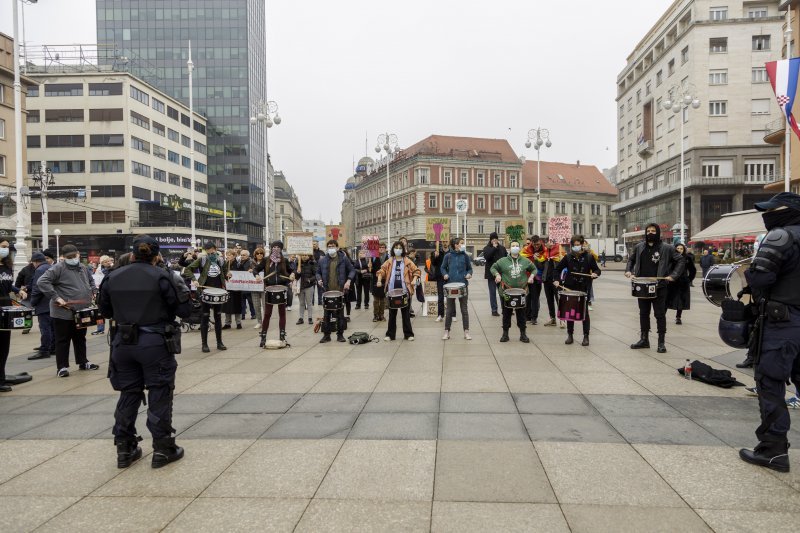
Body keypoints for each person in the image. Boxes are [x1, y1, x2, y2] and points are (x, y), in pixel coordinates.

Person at [100, 235, 191, 469]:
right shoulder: (163, 275)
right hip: (154, 342)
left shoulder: (112, 276)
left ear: (132, 254)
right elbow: (184, 309)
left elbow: (105, 310)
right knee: (159, 392)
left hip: (123, 342)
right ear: (156, 256)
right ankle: (163, 448)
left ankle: (124, 447)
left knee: (129, 393)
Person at [739, 192, 800, 473]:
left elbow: (761, 276)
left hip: (783, 323)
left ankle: (773, 450)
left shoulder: (780, 237)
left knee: (770, 382)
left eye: (772, 210)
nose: (768, 215)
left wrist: (749, 276)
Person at [37, 244, 101, 377]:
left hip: (81, 310)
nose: (73, 258)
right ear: (64, 257)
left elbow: (90, 281)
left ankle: (83, 362)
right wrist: (56, 297)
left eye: (74, 256)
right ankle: (62, 367)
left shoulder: (83, 267)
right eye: (69, 257)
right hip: (62, 312)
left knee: (80, 338)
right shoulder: (58, 268)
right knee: (62, 340)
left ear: (78, 254)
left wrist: (94, 291)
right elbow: (42, 282)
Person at [625, 223, 685, 353]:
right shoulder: (639, 246)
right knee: (643, 314)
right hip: (642, 285)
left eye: (653, 231)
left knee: (660, 314)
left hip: (659, 286)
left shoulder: (667, 248)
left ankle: (661, 342)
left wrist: (673, 275)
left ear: (658, 232)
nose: (650, 233)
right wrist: (629, 271)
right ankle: (644, 339)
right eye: (648, 231)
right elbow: (631, 260)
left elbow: (680, 260)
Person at [554, 235, 601, 346]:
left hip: (584, 288)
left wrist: (595, 274)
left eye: (578, 245)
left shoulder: (589, 257)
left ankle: (586, 336)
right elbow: (557, 269)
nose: (576, 247)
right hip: (570, 287)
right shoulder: (568, 257)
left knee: (585, 313)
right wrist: (557, 280)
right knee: (570, 312)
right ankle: (570, 335)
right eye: (574, 245)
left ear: (582, 244)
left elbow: (597, 269)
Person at [182, 242, 228, 353]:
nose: (210, 252)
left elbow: (225, 273)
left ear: (215, 249)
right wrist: (194, 280)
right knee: (205, 317)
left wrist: (228, 275)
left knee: (218, 317)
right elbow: (187, 269)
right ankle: (204, 344)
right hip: (205, 291)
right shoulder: (202, 260)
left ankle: (219, 342)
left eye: (211, 249)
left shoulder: (221, 260)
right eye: (207, 250)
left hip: (218, 291)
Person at [491, 239, 534, 343]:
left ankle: (523, 334)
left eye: (517, 245)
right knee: (506, 313)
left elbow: (534, 269)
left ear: (519, 248)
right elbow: (493, 267)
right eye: (513, 246)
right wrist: (497, 275)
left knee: (521, 313)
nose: (515, 247)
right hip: (506, 292)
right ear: (509, 248)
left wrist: (531, 276)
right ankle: (505, 334)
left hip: (521, 292)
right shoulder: (503, 261)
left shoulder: (525, 260)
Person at [376, 241, 420, 341]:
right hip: (392, 292)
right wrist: (379, 280)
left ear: (403, 250)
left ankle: (408, 334)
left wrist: (414, 280)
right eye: (396, 248)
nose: (398, 250)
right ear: (393, 249)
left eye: (400, 248)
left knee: (405, 314)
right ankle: (390, 335)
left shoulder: (407, 261)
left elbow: (416, 270)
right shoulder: (390, 261)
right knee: (392, 314)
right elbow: (381, 271)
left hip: (405, 291)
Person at [0, 241, 28, 392]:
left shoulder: (7, 267)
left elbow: (8, 284)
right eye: (3, 247)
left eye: (6, 247)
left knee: (4, 346)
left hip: (6, 308)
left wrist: (18, 290)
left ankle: (1, 377)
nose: (6, 250)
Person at [254, 241, 294, 346]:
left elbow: (291, 271)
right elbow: (255, 269)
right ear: (271, 248)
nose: (276, 249)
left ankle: (282, 336)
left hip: (281, 289)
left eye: (278, 247)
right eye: (274, 247)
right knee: (267, 314)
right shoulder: (266, 260)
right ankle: (263, 336)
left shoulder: (284, 261)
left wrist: (292, 275)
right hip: (270, 289)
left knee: (282, 313)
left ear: (281, 249)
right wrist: (257, 276)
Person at [316, 239, 355, 343]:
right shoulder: (322, 260)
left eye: (333, 246)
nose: (331, 248)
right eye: (329, 246)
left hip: (340, 291)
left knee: (340, 315)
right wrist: (319, 279)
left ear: (337, 248)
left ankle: (340, 335)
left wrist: (349, 280)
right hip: (327, 291)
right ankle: (326, 335)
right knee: (326, 315)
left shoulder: (343, 259)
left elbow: (352, 270)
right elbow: (317, 272)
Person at [441, 237, 473, 340]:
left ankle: (466, 332)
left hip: (463, 285)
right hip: (450, 285)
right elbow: (442, 267)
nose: (463, 245)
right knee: (449, 310)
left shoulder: (466, 256)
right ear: (455, 245)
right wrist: (445, 274)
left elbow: (470, 268)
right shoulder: (448, 256)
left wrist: (469, 274)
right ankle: (447, 331)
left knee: (464, 309)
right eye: (461, 243)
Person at [28, 252, 54, 360]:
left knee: (45, 328)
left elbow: (37, 287)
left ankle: (44, 350)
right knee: (52, 328)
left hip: (43, 304)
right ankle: (53, 348)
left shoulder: (39, 270)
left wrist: (32, 302)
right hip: (53, 302)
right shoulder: (51, 267)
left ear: (35, 261)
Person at [667, 243, 696, 325]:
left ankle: (678, 317)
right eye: (678, 248)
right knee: (667, 299)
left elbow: (692, 270)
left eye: (681, 249)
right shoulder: (670, 258)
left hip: (683, 282)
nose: (679, 250)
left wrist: (688, 279)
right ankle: (662, 315)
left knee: (681, 301)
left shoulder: (687, 258)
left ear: (684, 250)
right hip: (671, 282)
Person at [482, 232, 507, 316]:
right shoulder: (487, 248)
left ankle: (504, 308)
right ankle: (494, 310)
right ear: (490, 240)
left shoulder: (502, 248)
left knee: (502, 292)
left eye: (495, 239)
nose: (494, 240)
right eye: (492, 239)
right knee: (492, 293)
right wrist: (493, 248)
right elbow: (487, 256)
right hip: (491, 275)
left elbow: (506, 259)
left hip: (501, 274)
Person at [91, 255, 114, 336]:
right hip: (100, 292)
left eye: (109, 261)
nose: (108, 262)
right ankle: (100, 328)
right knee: (99, 312)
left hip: (109, 293)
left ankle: (113, 327)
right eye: (106, 261)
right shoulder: (98, 270)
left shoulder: (113, 269)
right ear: (102, 263)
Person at [222, 249, 243, 330]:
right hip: (227, 288)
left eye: (230, 255)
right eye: (227, 255)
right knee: (227, 307)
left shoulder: (238, 265)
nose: (228, 256)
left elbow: (241, 275)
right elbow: (222, 275)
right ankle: (227, 323)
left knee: (237, 306)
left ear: (234, 256)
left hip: (236, 289)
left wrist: (233, 274)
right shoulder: (225, 264)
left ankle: (238, 323)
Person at [296, 253, 316, 325]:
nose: (304, 256)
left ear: (309, 256)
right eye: (302, 255)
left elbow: (316, 275)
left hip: (309, 286)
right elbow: (296, 275)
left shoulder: (312, 264)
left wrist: (310, 280)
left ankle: (310, 318)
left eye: (306, 255)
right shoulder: (297, 264)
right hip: (300, 287)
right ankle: (301, 318)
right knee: (301, 303)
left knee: (309, 303)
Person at [428, 241, 446, 322]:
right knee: (440, 296)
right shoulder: (434, 253)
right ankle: (440, 314)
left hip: (449, 276)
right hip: (440, 277)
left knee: (451, 297)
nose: (442, 244)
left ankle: (453, 314)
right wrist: (435, 256)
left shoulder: (450, 252)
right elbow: (433, 264)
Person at [371, 243, 388, 322]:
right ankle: (375, 315)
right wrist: (369, 267)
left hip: (384, 281)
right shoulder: (374, 257)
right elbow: (371, 270)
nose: (381, 248)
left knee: (383, 300)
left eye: (383, 247)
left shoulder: (388, 257)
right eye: (380, 247)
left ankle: (382, 315)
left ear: (385, 248)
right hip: (375, 280)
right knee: (376, 300)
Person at [238, 249, 257, 321]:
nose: (242, 256)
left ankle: (253, 314)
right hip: (241, 284)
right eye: (241, 255)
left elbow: (257, 270)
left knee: (250, 301)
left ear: (248, 255)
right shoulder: (239, 262)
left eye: (244, 255)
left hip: (249, 285)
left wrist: (252, 270)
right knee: (241, 301)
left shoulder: (251, 261)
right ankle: (242, 315)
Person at [250, 248, 265, 329]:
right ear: (255, 254)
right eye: (258, 253)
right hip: (254, 286)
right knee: (256, 305)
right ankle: (259, 321)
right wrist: (248, 270)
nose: (259, 255)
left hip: (264, 286)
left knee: (265, 305)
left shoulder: (266, 262)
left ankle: (266, 321)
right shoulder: (251, 262)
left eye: (261, 253)